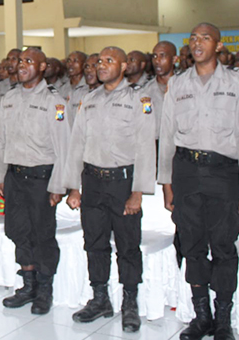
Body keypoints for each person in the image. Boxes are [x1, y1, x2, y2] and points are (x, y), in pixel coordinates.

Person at [159, 23, 239, 340]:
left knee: (224, 248)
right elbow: (167, 135)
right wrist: (166, 182)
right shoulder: (177, 84)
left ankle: (223, 319)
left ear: (218, 45)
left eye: (205, 38)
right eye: (193, 38)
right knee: (193, 246)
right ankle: (202, 316)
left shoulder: (237, 83)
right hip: (187, 172)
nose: (197, 42)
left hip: (224, 174)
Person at [64, 47, 156, 332]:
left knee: (128, 246)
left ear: (125, 66)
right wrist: (73, 187)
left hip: (123, 183)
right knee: (95, 243)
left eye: (109, 61)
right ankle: (100, 298)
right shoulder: (88, 101)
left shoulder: (139, 100)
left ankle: (130, 303)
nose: (101, 65)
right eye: (99, 61)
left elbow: (145, 148)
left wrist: (138, 191)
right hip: (92, 182)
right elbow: (76, 145)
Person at [0, 47, 70, 315]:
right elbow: (0, 140)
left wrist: (58, 186)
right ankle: (28, 285)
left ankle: (45, 289)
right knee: (17, 231)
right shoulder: (9, 98)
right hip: (14, 177)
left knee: (43, 236)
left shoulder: (54, 101)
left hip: (42, 179)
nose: (22, 65)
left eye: (29, 61)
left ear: (42, 67)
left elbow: (64, 147)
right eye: (19, 61)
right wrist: (1, 174)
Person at [145, 41, 178, 150]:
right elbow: (145, 116)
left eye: (162, 56)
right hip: (154, 145)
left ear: (174, 59)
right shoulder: (145, 91)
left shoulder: (186, 87)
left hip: (181, 145)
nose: (157, 61)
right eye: (154, 56)